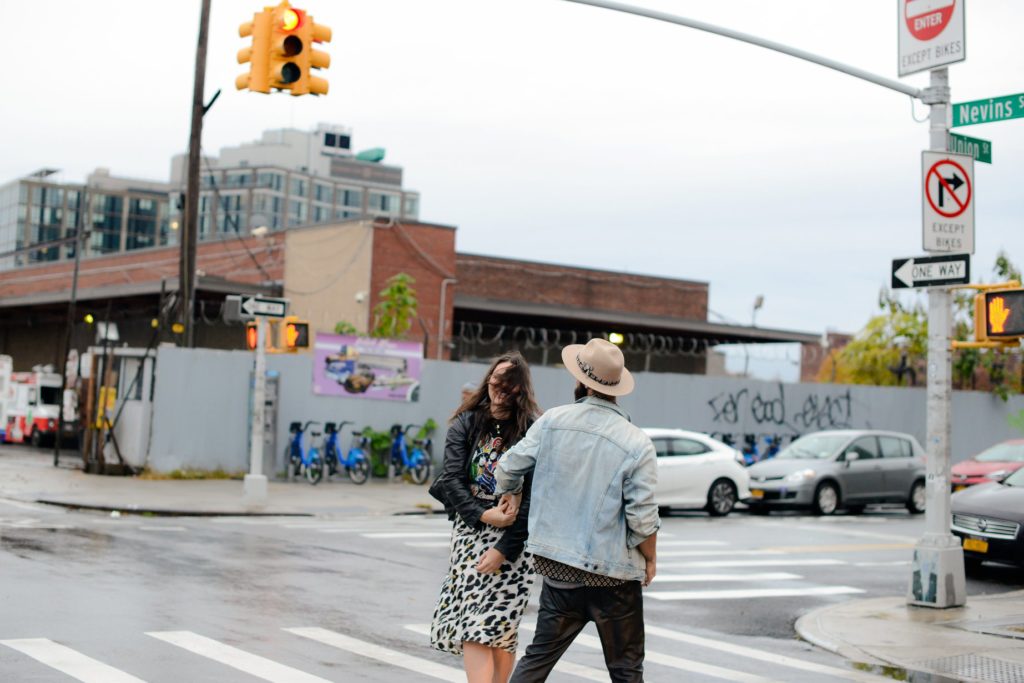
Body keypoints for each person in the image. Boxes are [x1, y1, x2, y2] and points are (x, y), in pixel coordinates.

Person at [495, 338, 659, 683]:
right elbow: (642, 519)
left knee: (537, 660)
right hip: (614, 576)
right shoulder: (636, 441)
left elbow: (508, 466)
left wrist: (510, 492)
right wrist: (651, 559)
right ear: (617, 387)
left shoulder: (553, 421)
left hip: (560, 569)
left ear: (582, 382)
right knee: (626, 670)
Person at [429, 351, 542, 683]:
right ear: (488, 380)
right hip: (471, 535)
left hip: (515, 544)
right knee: (475, 626)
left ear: (521, 389)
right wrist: (484, 515)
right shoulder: (467, 422)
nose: (500, 389)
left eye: (509, 385)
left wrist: (504, 549)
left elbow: (535, 497)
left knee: (502, 630)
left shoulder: (531, 429)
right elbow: (451, 479)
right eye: (496, 381)